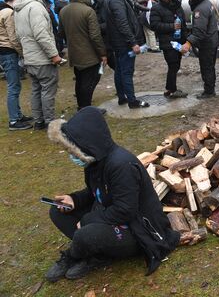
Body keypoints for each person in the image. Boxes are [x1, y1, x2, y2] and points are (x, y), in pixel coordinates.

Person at [45, 107, 180, 282]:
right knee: (57, 211)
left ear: (88, 144)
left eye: (73, 151)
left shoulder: (121, 165)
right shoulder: (95, 161)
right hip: (112, 214)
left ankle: (75, 256)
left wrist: (88, 220)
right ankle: (93, 251)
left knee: (85, 233)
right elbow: (98, 192)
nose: (71, 155)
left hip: (138, 229)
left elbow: (125, 211)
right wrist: (75, 199)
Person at [14, 0, 63, 130]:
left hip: (30, 58)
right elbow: (41, 34)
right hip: (42, 59)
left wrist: (24, 54)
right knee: (47, 90)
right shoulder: (36, 7)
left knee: (36, 90)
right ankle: (49, 122)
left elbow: (17, 36)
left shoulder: (19, 9)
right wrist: (54, 55)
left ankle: (39, 121)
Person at [103, 0, 149, 109]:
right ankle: (132, 101)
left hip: (118, 42)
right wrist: (133, 42)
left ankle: (122, 97)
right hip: (123, 43)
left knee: (119, 70)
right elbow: (122, 23)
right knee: (127, 71)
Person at [58, 0, 107, 110]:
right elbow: (95, 36)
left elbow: (61, 33)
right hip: (89, 54)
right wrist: (102, 53)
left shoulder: (63, 11)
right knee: (89, 82)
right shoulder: (88, 11)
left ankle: (81, 107)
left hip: (74, 53)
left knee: (79, 81)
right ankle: (86, 110)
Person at [0, 0, 33, 130]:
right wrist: (22, 52)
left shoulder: (2, 10)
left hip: (4, 52)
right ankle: (14, 121)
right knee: (13, 86)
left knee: (15, 85)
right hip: (9, 52)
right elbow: (13, 37)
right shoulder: (9, 13)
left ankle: (18, 115)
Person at [179, 0, 218, 98]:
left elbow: (199, 31)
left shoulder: (200, 9)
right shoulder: (206, 3)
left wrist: (188, 43)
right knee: (210, 66)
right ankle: (210, 89)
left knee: (207, 67)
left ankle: (209, 91)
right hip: (212, 40)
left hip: (207, 43)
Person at [149, 0, 188, 99]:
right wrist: (172, 26)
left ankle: (169, 89)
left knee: (176, 66)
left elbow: (183, 24)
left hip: (179, 42)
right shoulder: (156, 8)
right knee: (173, 65)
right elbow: (154, 25)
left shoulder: (177, 6)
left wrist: (186, 41)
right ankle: (172, 90)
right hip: (167, 43)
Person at [89, 0, 116, 71]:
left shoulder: (104, 5)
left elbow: (109, 23)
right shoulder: (96, 5)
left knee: (114, 64)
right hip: (103, 40)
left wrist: (95, 27)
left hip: (108, 41)